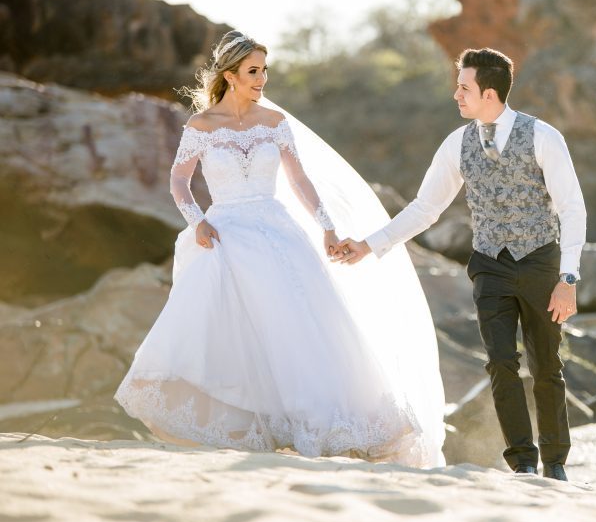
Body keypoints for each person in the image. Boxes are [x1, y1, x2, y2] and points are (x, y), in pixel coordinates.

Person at [115, 31, 445, 467]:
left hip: (279, 233)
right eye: (253, 71)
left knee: (301, 327)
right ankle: (255, 425)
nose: (262, 79)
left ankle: (321, 424)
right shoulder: (201, 126)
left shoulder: (274, 122)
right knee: (237, 331)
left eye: (264, 70)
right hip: (226, 235)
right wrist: (197, 221)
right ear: (230, 75)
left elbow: (299, 180)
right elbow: (179, 180)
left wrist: (327, 228)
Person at [337, 48, 586, 481]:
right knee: (500, 362)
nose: (456, 95)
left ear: (489, 93)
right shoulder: (457, 144)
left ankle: (556, 463)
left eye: (464, 88)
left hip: (541, 263)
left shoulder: (544, 137)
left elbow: (572, 208)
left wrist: (568, 277)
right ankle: (523, 462)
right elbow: (425, 208)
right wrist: (370, 245)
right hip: (489, 265)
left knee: (546, 365)